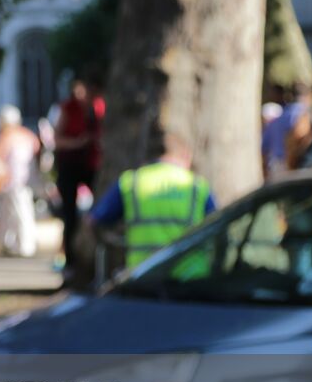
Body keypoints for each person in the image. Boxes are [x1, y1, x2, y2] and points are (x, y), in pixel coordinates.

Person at [88, 132, 217, 269]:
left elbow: (93, 220)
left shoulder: (131, 182)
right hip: (189, 277)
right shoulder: (197, 186)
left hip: (144, 275)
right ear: (186, 154)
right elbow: (217, 227)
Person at [53, 77, 103, 258]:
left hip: (92, 164)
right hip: (70, 165)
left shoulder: (99, 107)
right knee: (69, 215)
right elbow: (57, 140)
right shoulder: (69, 109)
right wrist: (78, 142)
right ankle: (70, 259)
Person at [0, 105, 41, 258]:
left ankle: (24, 245)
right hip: (26, 180)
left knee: (19, 213)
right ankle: (14, 243)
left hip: (14, 181)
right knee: (16, 212)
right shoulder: (28, 135)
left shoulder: (7, 136)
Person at [262, 81, 310, 178]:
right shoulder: (306, 116)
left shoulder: (277, 118)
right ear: (308, 96)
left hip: (276, 165)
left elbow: (264, 148)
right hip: (296, 166)